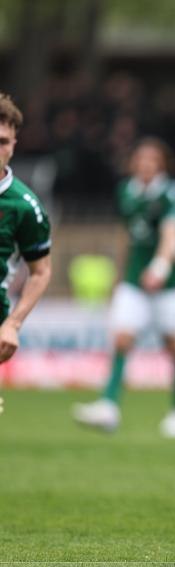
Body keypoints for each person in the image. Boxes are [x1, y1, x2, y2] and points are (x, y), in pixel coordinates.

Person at [73, 138, 175, 438]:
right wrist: (119, 276)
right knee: (122, 338)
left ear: (162, 164)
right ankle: (108, 407)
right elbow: (126, 236)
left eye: (152, 160)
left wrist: (160, 267)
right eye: (141, 159)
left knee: (174, 345)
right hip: (134, 281)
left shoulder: (169, 192)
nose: (145, 165)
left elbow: (172, 233)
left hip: (167, 284)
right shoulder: (126, 190)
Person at [0, 93, 52, 366]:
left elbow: (40, 272)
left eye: (2, 142)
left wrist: (13, 324)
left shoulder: (26, 207)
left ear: (14, 145)